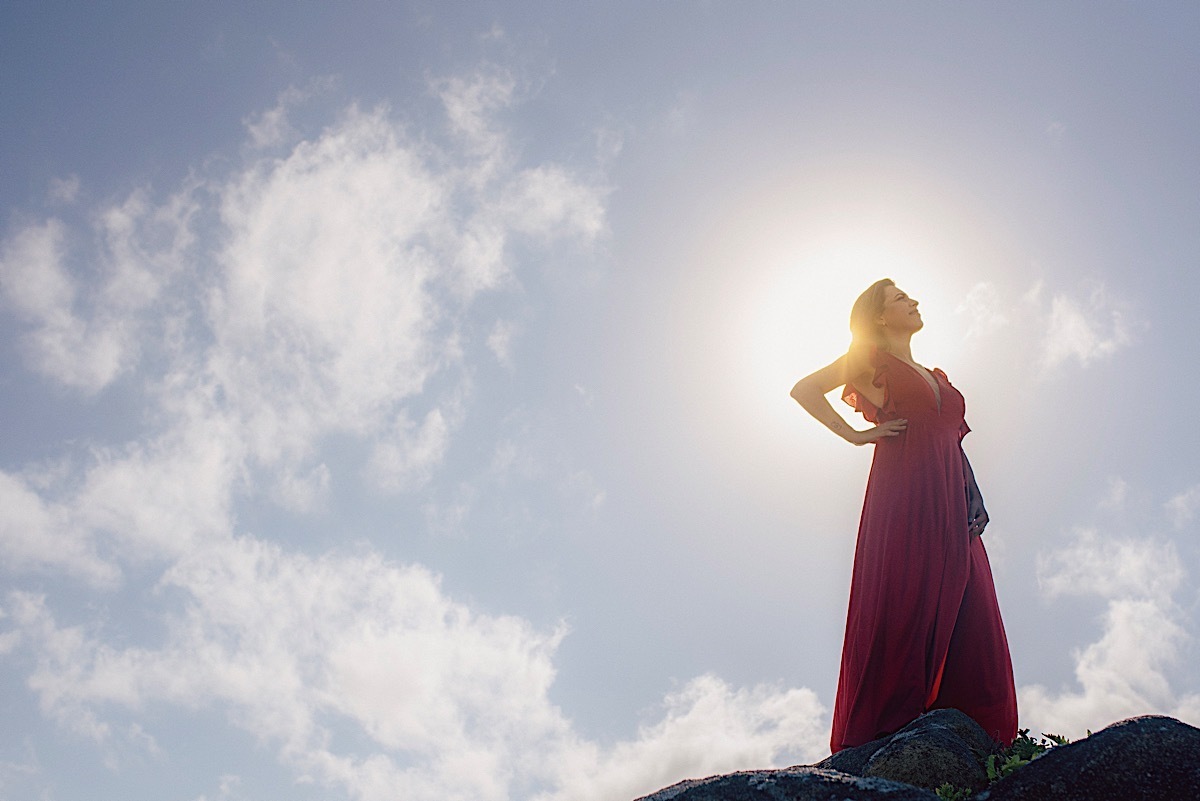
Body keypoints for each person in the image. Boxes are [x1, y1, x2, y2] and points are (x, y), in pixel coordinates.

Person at [790, 278, 1018, 753]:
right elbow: (805, 389)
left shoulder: (936, 375)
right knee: (905, 591)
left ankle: (974, 735)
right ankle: (888, 732)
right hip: (905, 489)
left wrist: (972, 491)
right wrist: (854, 435)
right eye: (899, 298)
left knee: (970, 599)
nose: (913, 301)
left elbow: (952, 437)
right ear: (877, 316)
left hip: (951, 494)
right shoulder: (869, 358)